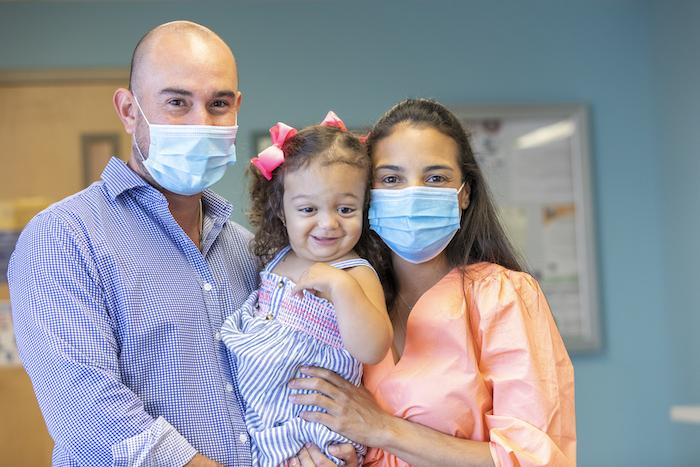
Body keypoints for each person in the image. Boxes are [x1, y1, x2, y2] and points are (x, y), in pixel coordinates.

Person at [6, 20, 347, 467]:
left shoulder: (249, 252)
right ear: (129, 110)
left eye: (218, 104)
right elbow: (90, 413)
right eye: (177, 103)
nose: (200, 122)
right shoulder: (65, 238)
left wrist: (313, 448)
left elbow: (277, 379)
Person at [287, 98, 577, 466]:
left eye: (435, 178)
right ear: (365, 195)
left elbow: (533, 460)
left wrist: (382, 429)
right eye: (391, 179)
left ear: (465, 193)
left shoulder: (501, 296)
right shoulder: (343, 298)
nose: (412, 193)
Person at [221, 112, 392, 467]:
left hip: (312, 430)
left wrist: (340, 287)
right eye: (308, 209)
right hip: (262, 421)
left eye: (346, 209)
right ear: (281, 211)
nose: (328, 223)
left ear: (365, 207)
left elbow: (373, 348)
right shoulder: (278, 258)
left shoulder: (355, 273)